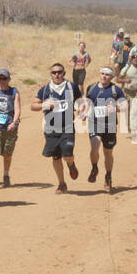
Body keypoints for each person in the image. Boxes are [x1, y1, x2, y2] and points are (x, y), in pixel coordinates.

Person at [32, 62, 83, 194]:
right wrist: (45, 105)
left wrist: (80, 109)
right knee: (56, 157)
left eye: (59, 72)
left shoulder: (71, 87)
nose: (57, 74)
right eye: (54, 72)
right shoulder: (45, 90)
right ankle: (61, 183)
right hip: (51, 128)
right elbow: (33, 106)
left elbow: (79, 101)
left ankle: (71, 164)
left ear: (64, 73)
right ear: (51, 74)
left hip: (67, 126)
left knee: (68, 153)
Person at [85, 66, 127, 192]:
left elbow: (125, 106)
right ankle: (94, 167)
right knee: (94, 147)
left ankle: (108, 176)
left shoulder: (116, 90)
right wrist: (83, 112)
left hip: (110, 125)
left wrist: (115, 108)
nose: (104, 76)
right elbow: (87, 103)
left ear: (112, 77)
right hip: (95, 122)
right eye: (102, 73)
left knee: (108, 152)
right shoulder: (91, 88)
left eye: (107, 75)